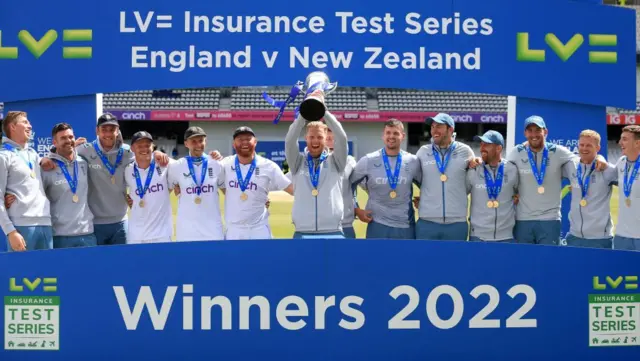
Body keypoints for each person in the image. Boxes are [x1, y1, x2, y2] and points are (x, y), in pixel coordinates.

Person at [40, 112, 170, 246]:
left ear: (118, 130)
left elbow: (144, 152)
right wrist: (46, 157)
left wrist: (156, 153)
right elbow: (64, 151)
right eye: (104, 129)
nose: (108, 134)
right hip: (95, 224)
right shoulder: (85, 150)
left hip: (121, 221)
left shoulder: (127, 152)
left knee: (122, 262)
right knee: (98, 265)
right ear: (97, 131)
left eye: (112, 129)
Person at [507, 116, 607, 245]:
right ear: (525, 133)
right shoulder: (516, 152)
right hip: (523, 219)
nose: (534, 134)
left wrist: (600, 157)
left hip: (550, 219)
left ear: (545, 132)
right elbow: (505, 173)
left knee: (548, 263)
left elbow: (582, 159)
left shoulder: (557, 151)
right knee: (525, 262)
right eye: (530, 130)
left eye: (538, 130)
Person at [351, 119, 422, 239]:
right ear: (383, 136)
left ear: (402, 136)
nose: (391, 136)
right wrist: (356, 209)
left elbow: (428, 186)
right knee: (375, 258)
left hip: (405, 225)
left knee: (406, 258)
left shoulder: (413, 161)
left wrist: (424, 200)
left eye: (395, 133)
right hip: (377, 224)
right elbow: (349, 185)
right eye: (388, 133)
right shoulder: (368, 160)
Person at [219, 126, 293, 240]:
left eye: (248, 139)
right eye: (240, 139)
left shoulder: (269, 166)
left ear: (255, 142)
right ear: (234, 144)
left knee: (263, 258)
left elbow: (291, 189)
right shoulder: (224, 164)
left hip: (259, 229)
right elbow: (217, 184)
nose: (244, 142)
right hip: (234, 230)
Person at [285, 112, 348, 238]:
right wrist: (303, 115)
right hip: (302, 231)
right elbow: (290, 140)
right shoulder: (297, 162)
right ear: (306, 138)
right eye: (311, 137)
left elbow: (342, 137)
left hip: (333, 230)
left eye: (319, 137)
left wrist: (323, 111)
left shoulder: (336, 161)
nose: (315, 140)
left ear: (326, 139)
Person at [415, 113, 475, 241]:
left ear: (450, 129)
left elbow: (472, 180)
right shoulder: (422, 152)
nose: (434, 130)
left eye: (439, 126)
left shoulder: (466, 151)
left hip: (456, 223)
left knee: (455, 261)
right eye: (432, 126)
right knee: (424, 261)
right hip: (427, 222)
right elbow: (416, 179)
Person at [0, 111, 52, 251]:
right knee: (22, 272)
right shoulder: (3, 156)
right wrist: (10, 232)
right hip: (21, 227)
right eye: (25, 122)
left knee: (50, 271)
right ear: (13, 127)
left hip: (45, 223)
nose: (30, 126)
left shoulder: (32, 154)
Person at [40, 123, 96, 248]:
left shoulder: (84, 163)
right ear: (54, 142)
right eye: (63, 138)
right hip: (59, 236)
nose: (68, 141)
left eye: (70, 137)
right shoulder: (47, 167)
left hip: (87, 234)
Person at [563, 130, 618, 249]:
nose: (584, 148)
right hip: (574, 236)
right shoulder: (571, 165)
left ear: (598, 147)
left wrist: (601, 158)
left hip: (599, 239)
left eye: (589, 145)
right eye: (581, 145)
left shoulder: (607, 169)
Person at [169, 126, 224, 241]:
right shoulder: (177, 166)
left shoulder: (217, 164)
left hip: (212, 230)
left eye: (201, 141)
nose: (198, 145)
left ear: (205, 141)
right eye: (193, 141)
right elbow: (164, 191)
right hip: (187, 230)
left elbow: (230, 192)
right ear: (186, 143)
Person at [466, 130, 519, 242]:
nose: (482, 148)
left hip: (506, 237)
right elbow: (458, 194)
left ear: (499, 148)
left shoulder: (512, 169)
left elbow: (521, 193)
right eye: (481, 144)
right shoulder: (473, 170)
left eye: (487, 144)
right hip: (478, 237)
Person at [124, 131, 176, 244]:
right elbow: (115, 186)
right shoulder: (127, 169)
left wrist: (213, 157)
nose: (144, 149)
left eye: (147, 145)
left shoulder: (165, 163)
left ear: (153, 146)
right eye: (139, 146)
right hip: (136, 235)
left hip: (161, 235)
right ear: (132, 148)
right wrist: (126, 198)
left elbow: (186, 168)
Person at [613, 125, 640, 250]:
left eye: (624, 139)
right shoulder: (621, 162)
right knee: (620, 270)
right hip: (621, 235)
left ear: (637, 143)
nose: (620, 143)